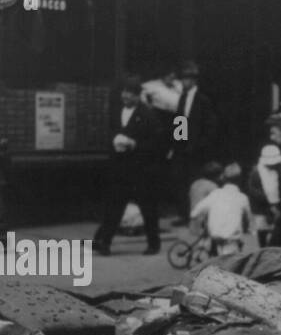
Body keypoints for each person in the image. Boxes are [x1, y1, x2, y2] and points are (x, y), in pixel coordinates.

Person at [93, 74, 165, 257]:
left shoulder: (148, 115)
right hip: (120, 168)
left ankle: (154, 243)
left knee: (147, 207)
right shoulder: (116, 111)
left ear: (138, 95)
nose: (125, 96)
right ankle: (104, 242)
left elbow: (157, 143)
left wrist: (135, 145)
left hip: (141, 169)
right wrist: (113, 141)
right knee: (114, 205)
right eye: (124, 92)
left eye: (130, 93)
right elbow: (110, 132)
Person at [171, 61, 221, 224]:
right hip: (183, 148)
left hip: (198, 149)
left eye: (186, 79)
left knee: (196, 181)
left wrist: (200, 144)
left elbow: (210, 126)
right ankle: (184, 214)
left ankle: (196, 215)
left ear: (193, 80)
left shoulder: (203, 100)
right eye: (183, 79)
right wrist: (178, 144)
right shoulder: (182, 98)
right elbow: (180, 121)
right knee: (181, 181)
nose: (184, 82)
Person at [189, 162, 252, 257]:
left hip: (214, 235)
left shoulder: (213, 192)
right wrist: (248, 228)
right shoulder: (242, 198)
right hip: (231, 239)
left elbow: (195, 212)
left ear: (224, 178)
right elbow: (248, 220)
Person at [247, 145, 281, 247]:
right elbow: (253, 191)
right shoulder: (256, 172)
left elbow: (280, 188)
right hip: (261, 210)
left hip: (277, 208)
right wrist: (268, 202)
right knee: (262, 234)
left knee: (277, 235)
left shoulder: (278, 171)